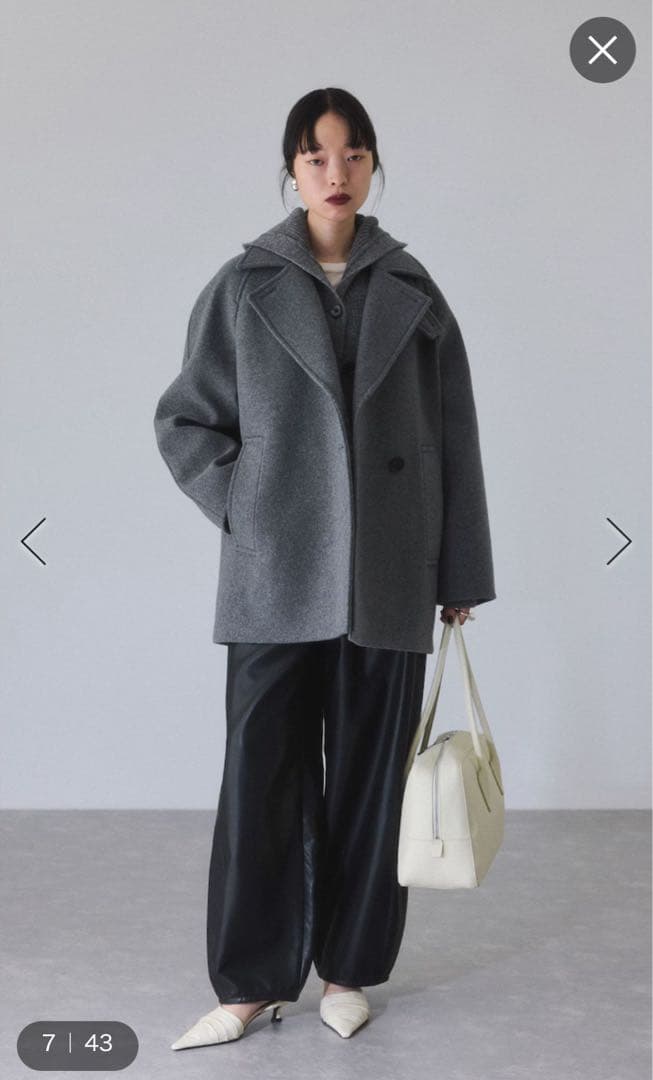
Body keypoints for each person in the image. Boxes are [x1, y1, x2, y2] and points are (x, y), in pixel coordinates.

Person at [153, 87, 495, 1047]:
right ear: (291, 170)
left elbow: (455, 440)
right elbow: (185, 420)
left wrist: (457, 572)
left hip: (389, 572)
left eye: (351, 155)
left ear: (374, 163)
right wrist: (248, 508)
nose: (334, 174)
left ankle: (349, 971)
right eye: (315, 157)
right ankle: (249, 985)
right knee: (258, 778)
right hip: (275, 573)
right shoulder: (244, 285)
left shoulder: (414, 291)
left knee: (370, 780)